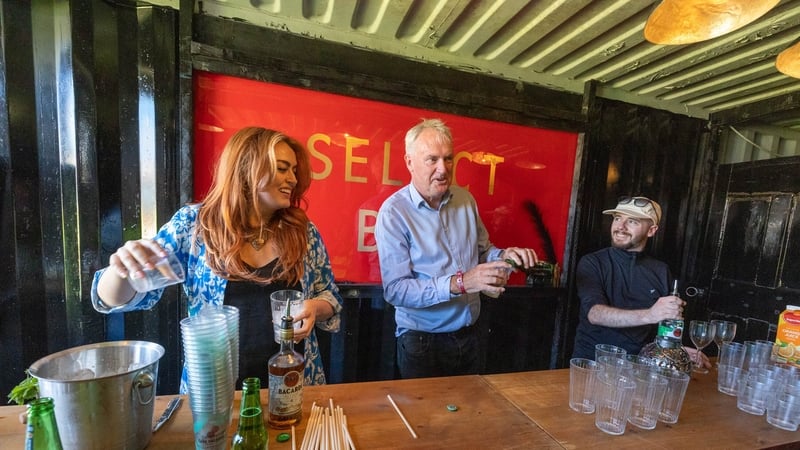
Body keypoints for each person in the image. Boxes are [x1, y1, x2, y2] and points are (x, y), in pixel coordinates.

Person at [91, 127, 343, 392]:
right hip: (214, 393)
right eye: (282, 168)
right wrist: (121, 270)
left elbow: (330, 296)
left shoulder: (303, 232)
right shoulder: (195, 225)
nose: (292, 179)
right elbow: (111, 299)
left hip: (293, 385)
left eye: (294, 170)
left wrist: (315, 307)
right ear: (246, 169)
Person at [375, 118, 539, 379]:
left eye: (448, 159)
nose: (443, 169)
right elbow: (396, 290)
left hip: (470, 335)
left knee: (470, 407)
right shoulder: (393, 213)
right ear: (409, 162)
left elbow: (483, 251)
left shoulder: (465, 199)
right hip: (422, 342)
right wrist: (462, 283)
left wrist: (506, 256)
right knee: (426, 409)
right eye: (432, 159)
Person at [571, 195, 710, 367]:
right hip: (593, 363)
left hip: (641, 366)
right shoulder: (593, 262)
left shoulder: (661, 271)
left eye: (632, 221)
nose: (620, 227)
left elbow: (663, 328)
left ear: (651, 230)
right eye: (617, 218)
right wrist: (650, 315)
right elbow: (595, 314)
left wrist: (675, 349)